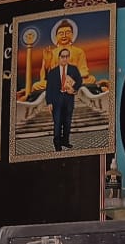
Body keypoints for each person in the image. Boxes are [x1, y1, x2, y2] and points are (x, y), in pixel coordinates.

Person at [32, 18, 106, 151]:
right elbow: (46, 78)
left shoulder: (78, 52)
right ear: (56, 37)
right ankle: (57, 144)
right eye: (61, 33)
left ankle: (65, 141)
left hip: (69, 96)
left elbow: (84, 71)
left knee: (67, 120)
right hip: (56, 96)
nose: (64, 35)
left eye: (67, 32)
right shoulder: (51, 53)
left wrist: (73, 83)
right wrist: (47, 62)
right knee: (56, 120)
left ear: (72, 35)